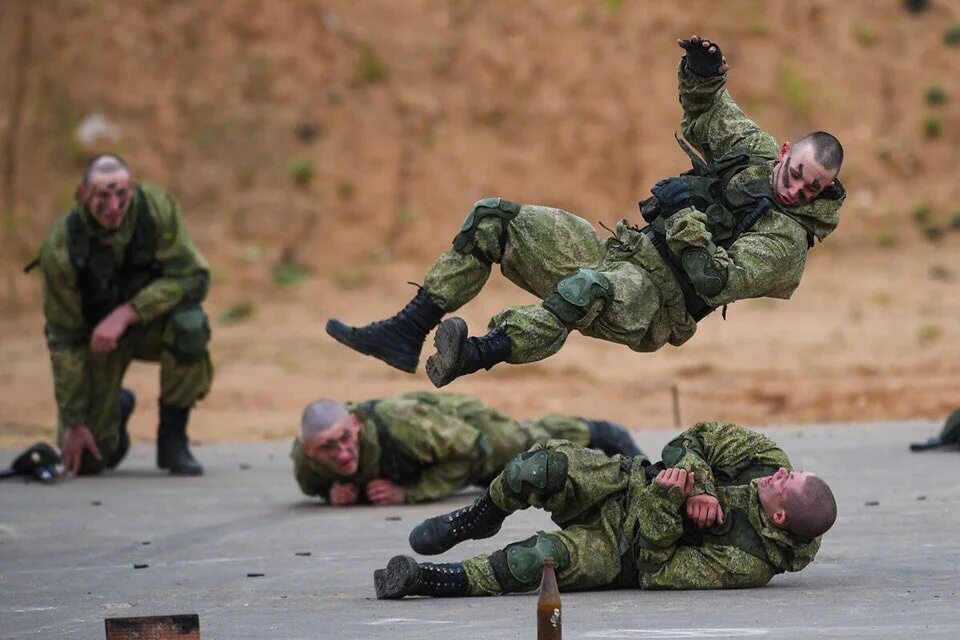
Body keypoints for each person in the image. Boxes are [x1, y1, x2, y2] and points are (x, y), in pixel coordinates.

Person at [326, 35, 846, 388]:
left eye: (812, 188)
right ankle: (406, 330)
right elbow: (710, 110)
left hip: (654, 306)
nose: (797, 189)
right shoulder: (754, 154)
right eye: (797, 172)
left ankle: (475, 355)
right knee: (496, 219)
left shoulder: (787, 246)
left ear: (823, 194)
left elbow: (714, 280)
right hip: (621, 253)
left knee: (584, 290)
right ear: (784, 152)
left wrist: (686, 215)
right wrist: (703, 71)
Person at [374, 421, 837, 598]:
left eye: (784, 483)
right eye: (787, 472)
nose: (778, 473)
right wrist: (700, 485)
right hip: (622, 484)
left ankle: (428, 579)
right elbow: (692, 438)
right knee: (537, 469)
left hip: (619, 550)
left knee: (531, 561)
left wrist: (667, 500)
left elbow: (657, 570)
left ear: (780, 518)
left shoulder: (749, 561)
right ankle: (479, 517)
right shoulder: (765, 458)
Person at [33, 154, 212, 476]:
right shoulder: (61, 247)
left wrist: (129, 313)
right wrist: (74, 420)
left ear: (132, 188)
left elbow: (193, 277)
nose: (114, 206)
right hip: (98, 343)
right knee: (88, 461)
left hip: (149, 324)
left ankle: (173, 439)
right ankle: (118, 407)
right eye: (102, 196)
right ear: (83, 193)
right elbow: (64, 338)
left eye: (121, 194)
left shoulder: (157, 208)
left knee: (190, 326)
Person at [291, 390, 642, 505]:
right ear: (309, 451)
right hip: (441, 449)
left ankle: (596, 431)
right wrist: (330, 491)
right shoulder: (307, 468)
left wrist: (409, 493)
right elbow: (314, 485)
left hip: (467, 430)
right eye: (327, 449)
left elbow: (470, 447)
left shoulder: (401, 425)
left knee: (522, 449)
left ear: (354, 423)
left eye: (345, 439)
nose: (341, 453)